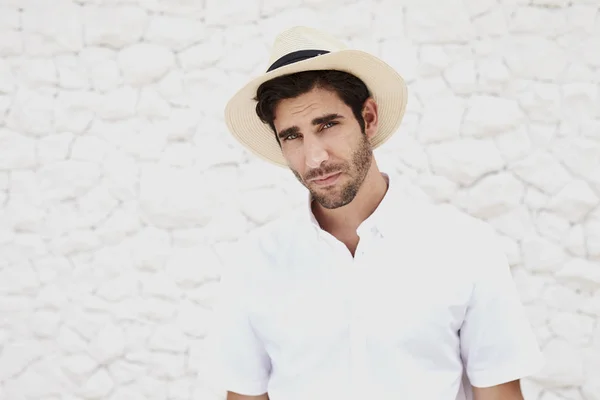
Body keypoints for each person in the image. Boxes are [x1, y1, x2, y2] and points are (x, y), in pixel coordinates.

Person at [213, 26, 544, 400]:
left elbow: (499, 393)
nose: (315, 157)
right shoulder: (254, 262)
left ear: (368, 118)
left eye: (328, 125)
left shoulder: (465, 247)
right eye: (293, 135)